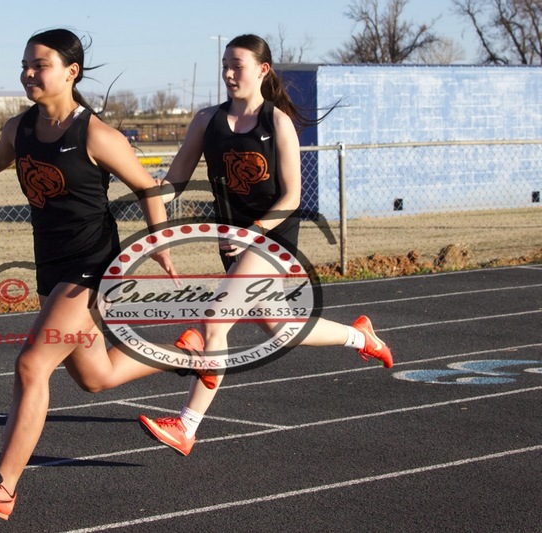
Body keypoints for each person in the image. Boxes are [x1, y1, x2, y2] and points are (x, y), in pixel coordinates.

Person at [0, 28, 199, 521]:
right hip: (54, 269)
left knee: (31, 364)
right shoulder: (19, 129)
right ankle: (185, 354)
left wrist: (161, 245)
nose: (28, 73)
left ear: (70, 72)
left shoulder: (97, 135)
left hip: (94, 268)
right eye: (25, 64)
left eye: (39, 65)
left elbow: (149, 188)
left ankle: (3, 485)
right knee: (95, 377)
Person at [137, 34, 394, 457]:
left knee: (216, 320)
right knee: (282, 328)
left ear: (262, 70)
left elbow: (291, 197)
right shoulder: (206, 121)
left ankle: (187, 426)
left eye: (237, 64)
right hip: (233, 241)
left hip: (271, 238)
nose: (228, 73)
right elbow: (174, 183)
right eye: (225, 64)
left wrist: (253, 231)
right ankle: (359, 336)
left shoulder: (277, 122)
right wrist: (141, 188)